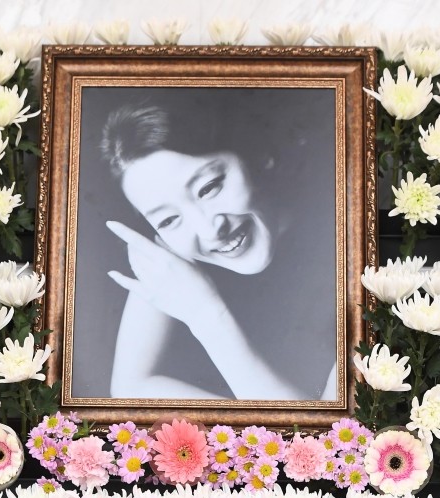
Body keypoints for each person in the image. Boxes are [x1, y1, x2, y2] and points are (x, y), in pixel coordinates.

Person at [98, 89, 338, 401]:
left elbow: (328, 429)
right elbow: (130, 390)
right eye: (168, 220)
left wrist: (207, 316)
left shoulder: (347, 242)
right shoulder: (173, 255)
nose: (210, 229)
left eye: (209, 187)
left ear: (256, 153)